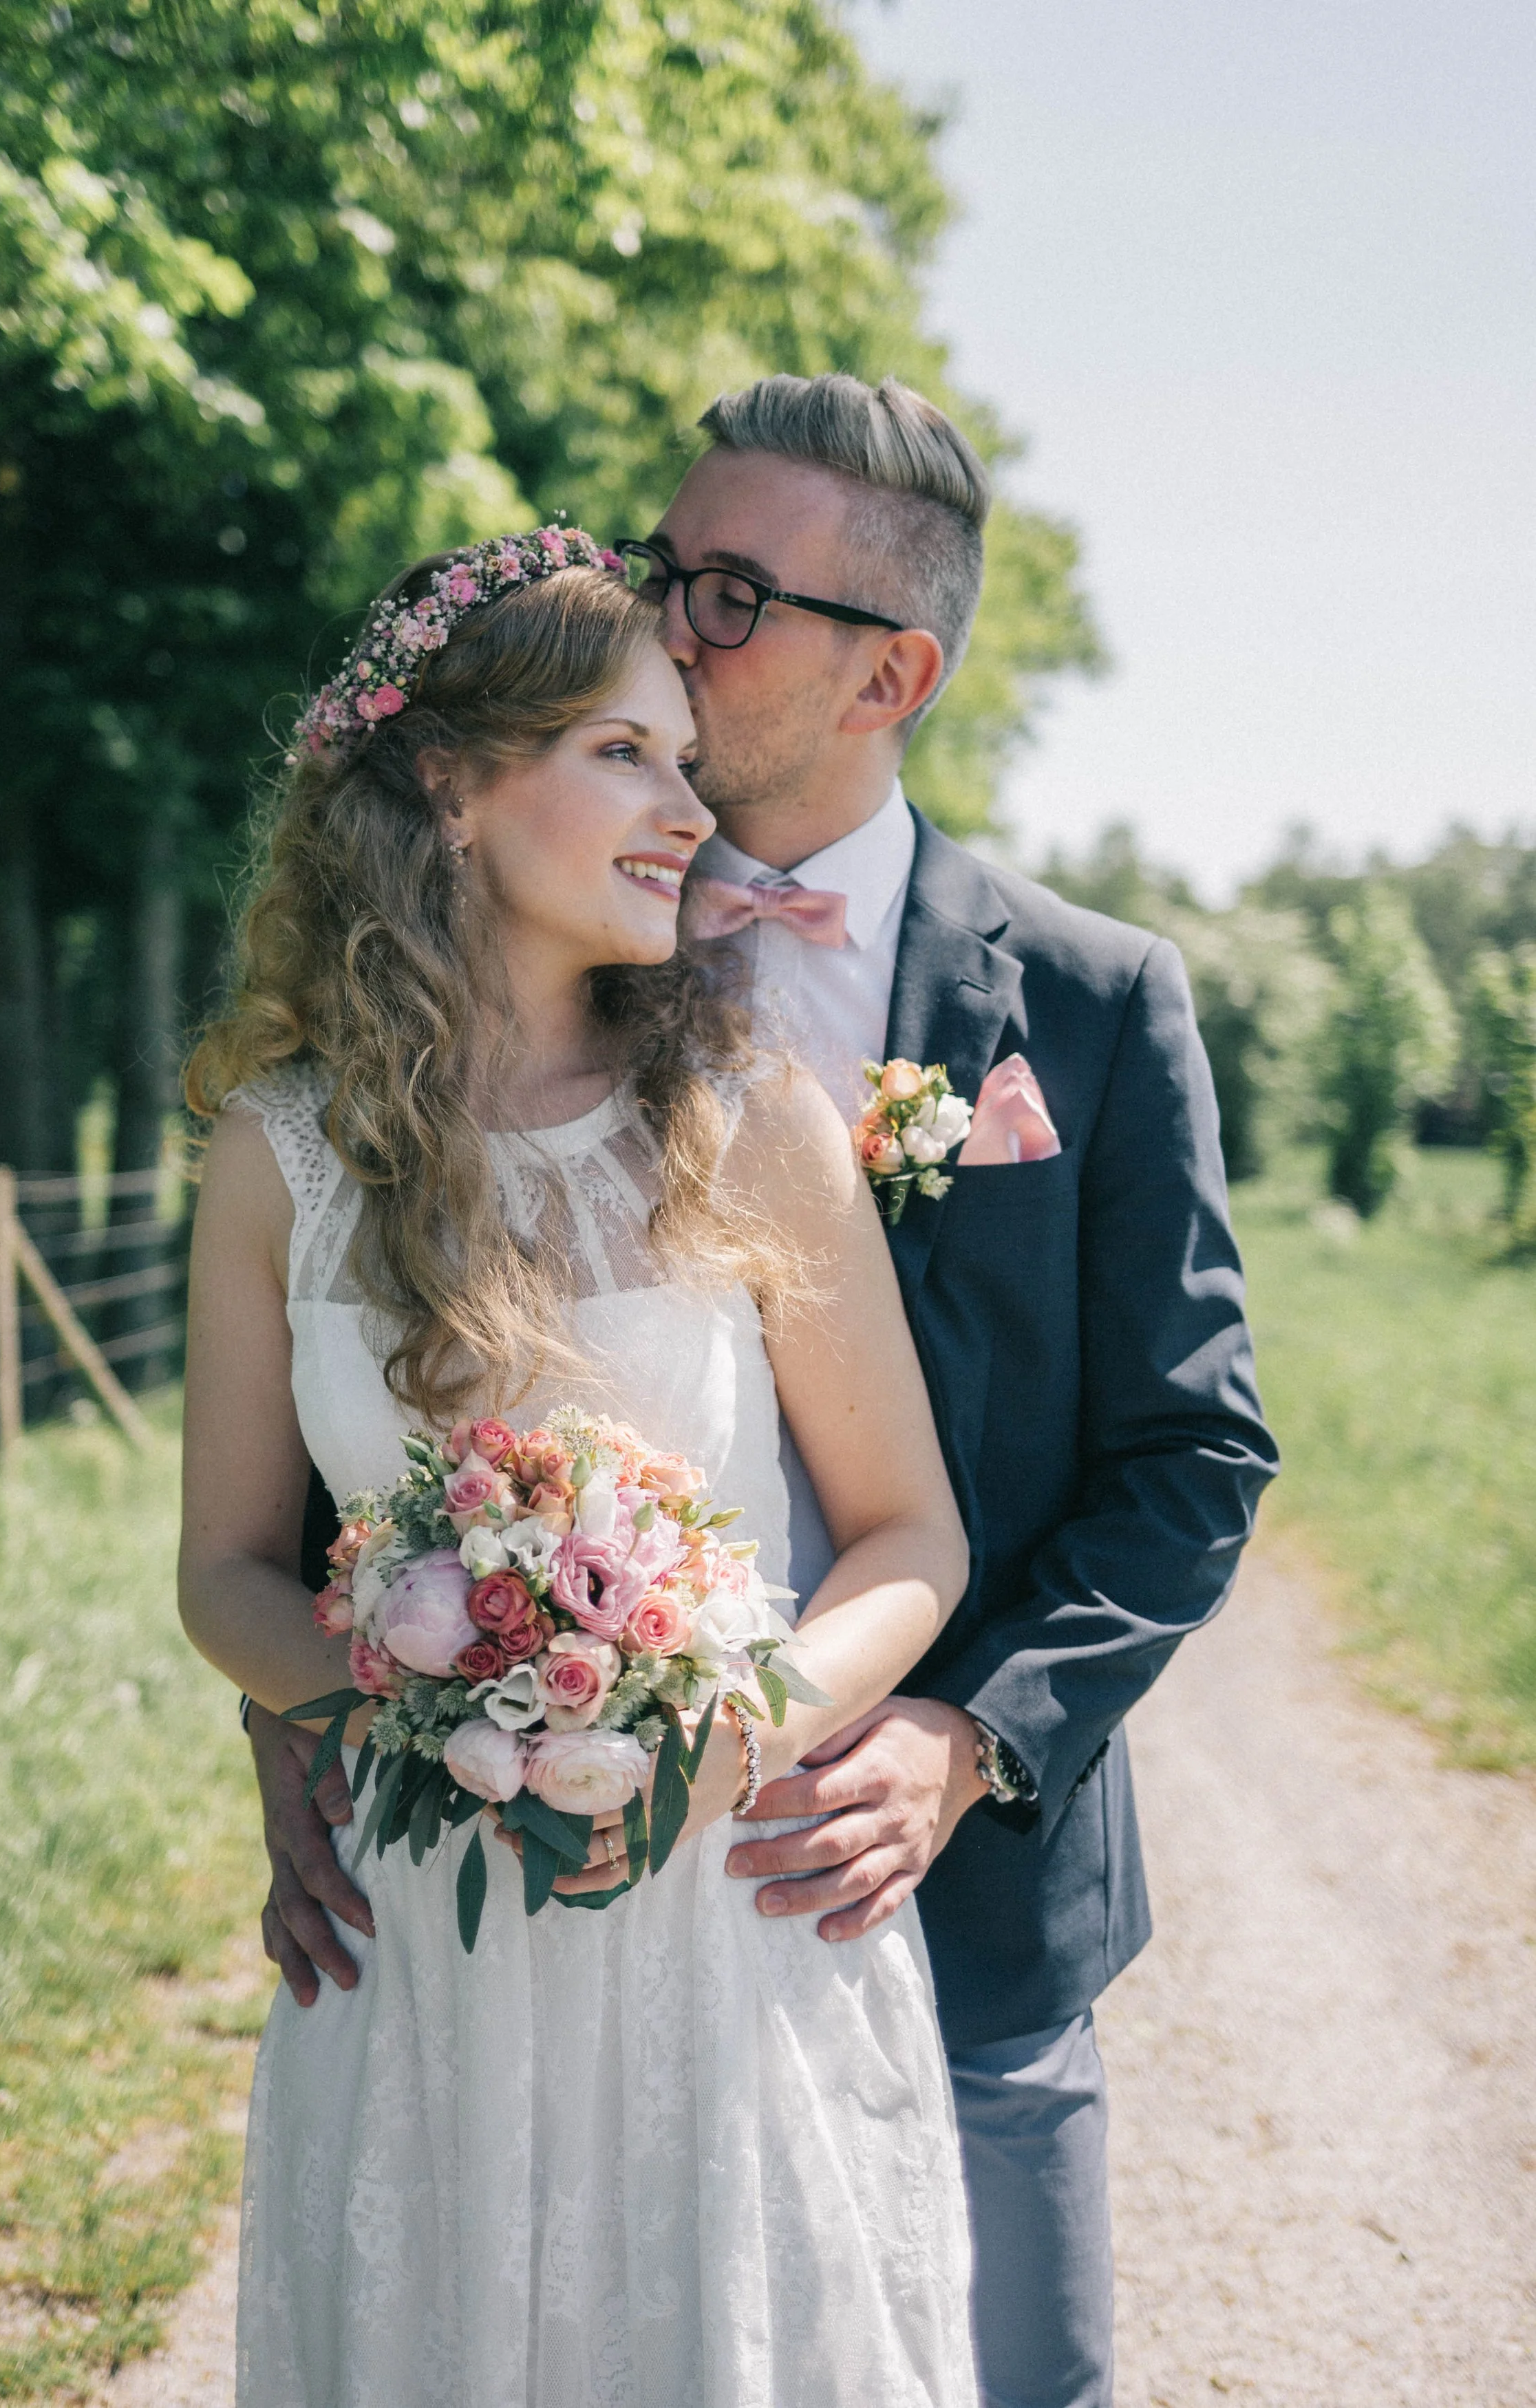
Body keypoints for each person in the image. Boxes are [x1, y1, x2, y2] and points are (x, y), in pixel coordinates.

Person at [251, 378, 1280, 2408]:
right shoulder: (506, 971)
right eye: (665, 568)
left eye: (725, 593)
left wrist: (965, 1740)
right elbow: (353, 1396)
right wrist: (298, 1723)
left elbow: (1191, 1448)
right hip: (512, 1896)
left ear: (888, 668)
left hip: (931, 1874)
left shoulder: (1082, 1001)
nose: (667, 618)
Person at [178, 529, 980, 2405]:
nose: (685, 808)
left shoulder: (744, 1121)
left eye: (688, 764)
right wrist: (417, 1708)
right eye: (627, 751)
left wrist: (735, 1719)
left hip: (724, 1918)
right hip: (419, 1943)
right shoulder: (277, 1157)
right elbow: (222, 1567)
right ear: (450, 784)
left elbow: (906, 1531)